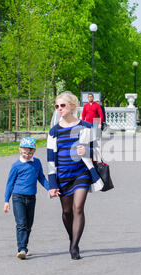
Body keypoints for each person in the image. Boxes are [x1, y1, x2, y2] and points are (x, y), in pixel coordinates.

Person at [47, 91, 104, 260]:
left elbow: (98, 151)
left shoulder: (86, 127)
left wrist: (87, 150)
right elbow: (50, 158)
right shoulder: (54, 131)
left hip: (81, 173)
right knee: (66, 212)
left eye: (62, 105)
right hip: (63, 175)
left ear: (71, 106)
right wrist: (52, 184)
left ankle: (74, 246)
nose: (59, 109)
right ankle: (73, 237)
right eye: (56, 106)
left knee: (77, 208)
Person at [4, 137, 50, 260]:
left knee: (29, 224)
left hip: (31, 198)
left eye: (30, 153)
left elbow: (41, 177)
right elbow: (10, 184)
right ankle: (22, 249)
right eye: (24, 153)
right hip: (18, 197)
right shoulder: (16, 166)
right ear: (20, 150)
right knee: (21, 224)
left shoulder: (37, 163)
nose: (27, 155)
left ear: (34, 151)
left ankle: (25, 246)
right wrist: (6, 201)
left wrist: (50, 188)